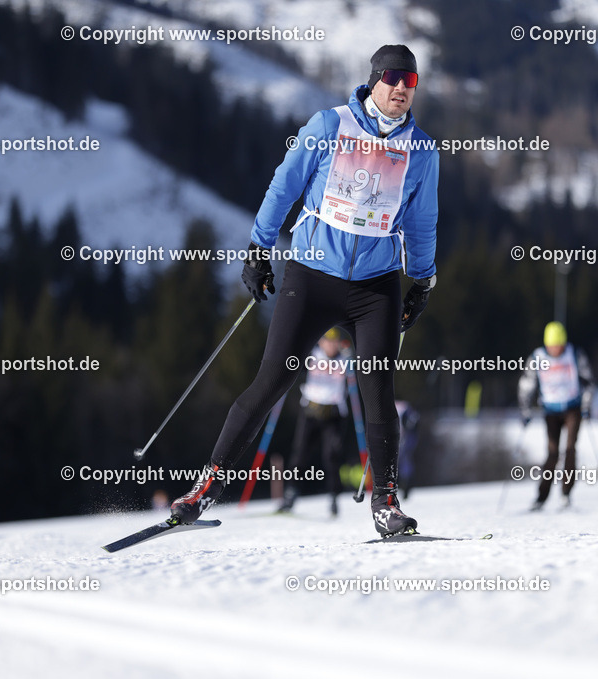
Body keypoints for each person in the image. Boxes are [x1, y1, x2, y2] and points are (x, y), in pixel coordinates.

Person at [169, 45, 439, 537]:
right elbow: (284, 187)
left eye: (412, 81)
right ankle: (206, 487)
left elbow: (422, 221)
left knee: (377, 390)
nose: (403, 88)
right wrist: (258, 248)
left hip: (376, 286)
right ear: (374, 80)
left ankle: (386, 502)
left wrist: (421, 279)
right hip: (312, 274)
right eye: (394, 78)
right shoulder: (328, 126)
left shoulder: (420, 150)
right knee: (272, 382)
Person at [518, 321, 595, 511]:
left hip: (572, 409)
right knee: (552, 454)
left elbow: (588, 382)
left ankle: (566, 494)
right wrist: (525, 410)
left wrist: (586, 405)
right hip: (551, 411)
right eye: (552, 346)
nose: (556, 349)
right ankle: (541, 497)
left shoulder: (575, 354)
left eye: (559, 345)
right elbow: (526, 385)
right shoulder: (537, 357)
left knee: (570, 450)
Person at [278, 329, 350, 515]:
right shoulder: (312, 357)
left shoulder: (345, 360)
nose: (330, 346)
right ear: (321, 342)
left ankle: (334, 497)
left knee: (332, 456)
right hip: (310, 412)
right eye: (327, 341)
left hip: (333, 415)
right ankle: (290, 495)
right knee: (299, 454)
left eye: (334, 342)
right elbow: (293, 366)